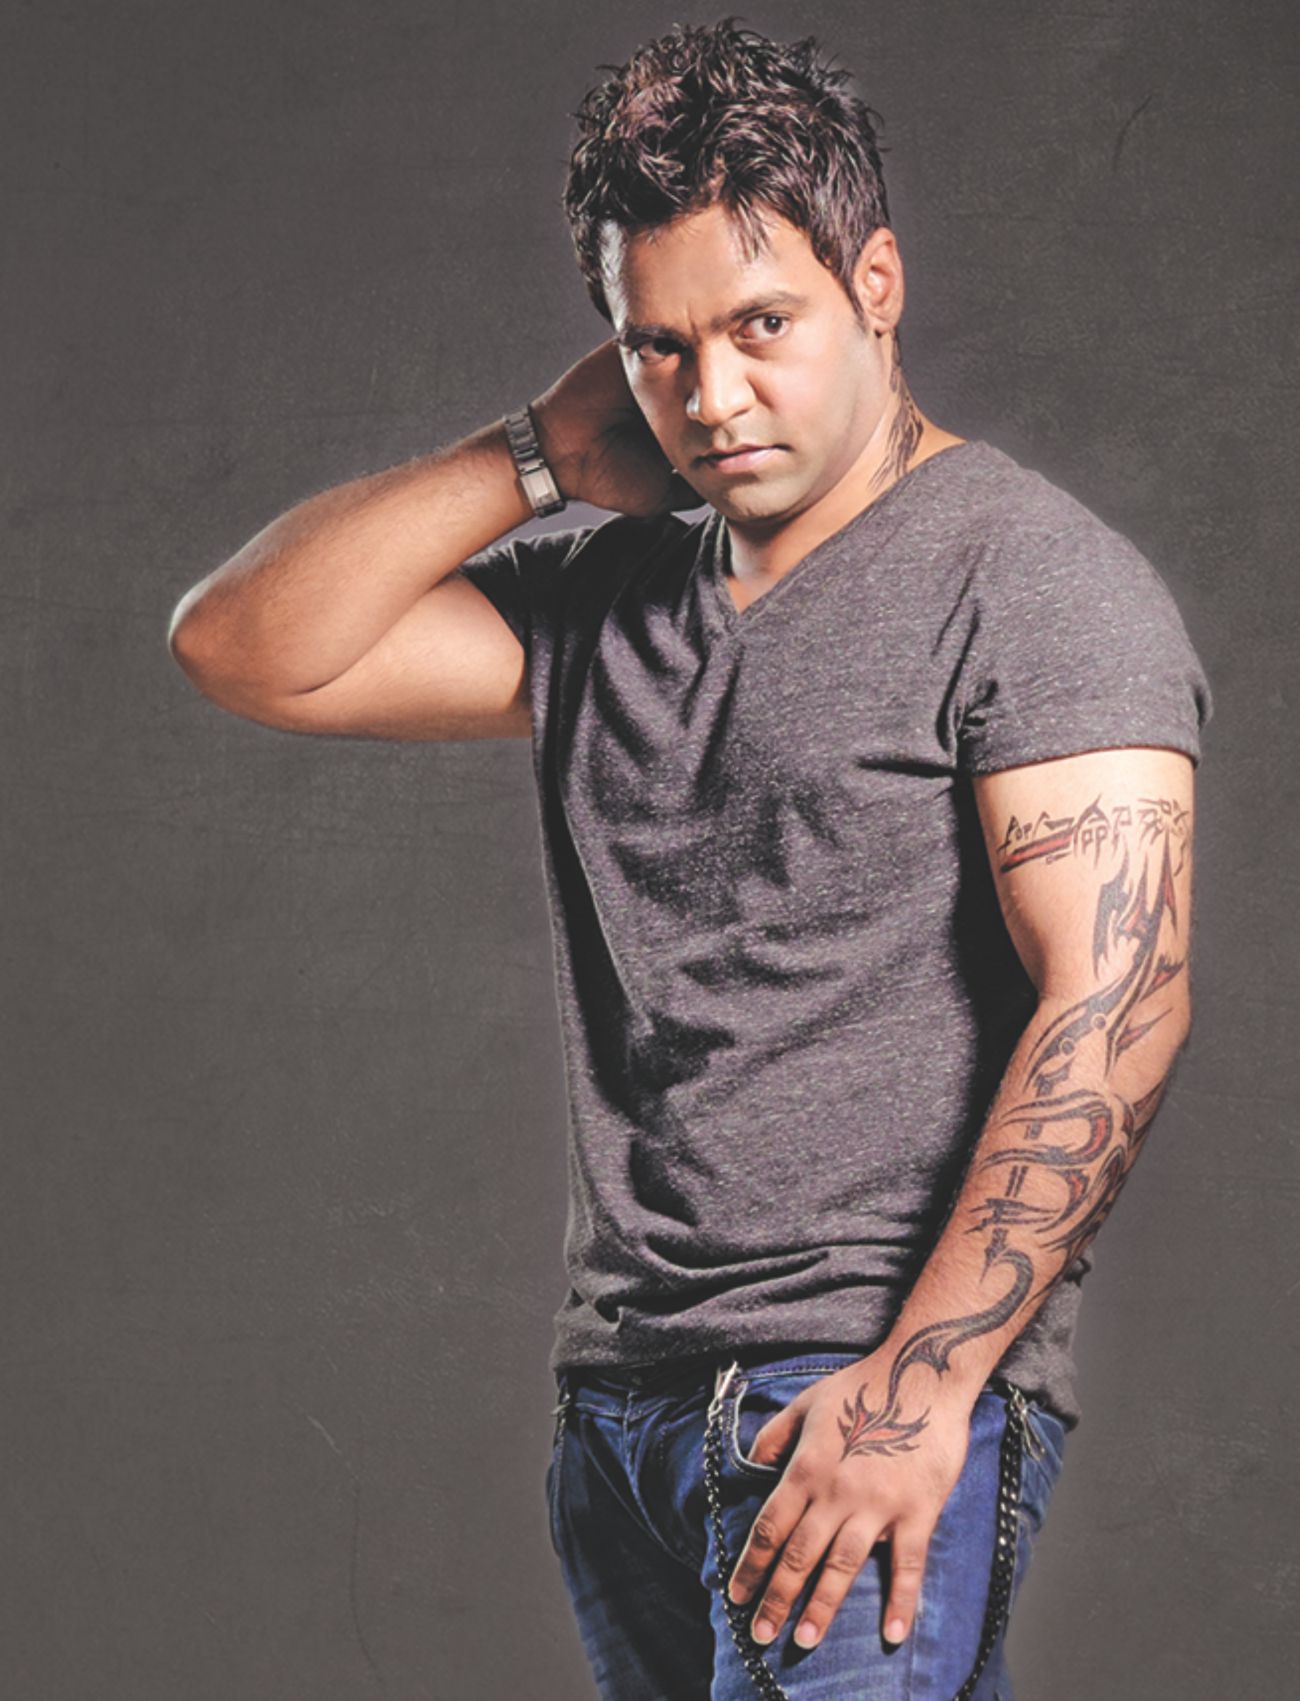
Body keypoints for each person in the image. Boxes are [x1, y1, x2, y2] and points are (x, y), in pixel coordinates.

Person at [167, 17, 1213, 1699]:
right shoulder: (601, 601)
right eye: (658, 347)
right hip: (624, 1413)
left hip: (848, 1387)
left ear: (878, 284)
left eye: (761, 326)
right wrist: (530, 455)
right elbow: (243, 647)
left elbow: (1119, 996)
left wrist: (919, 1390)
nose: (712, 399)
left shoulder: (1029, 581)